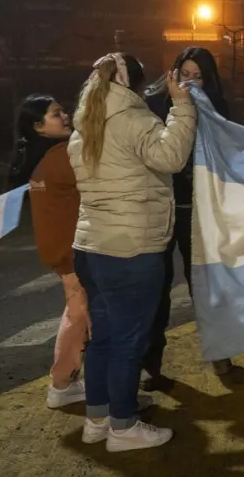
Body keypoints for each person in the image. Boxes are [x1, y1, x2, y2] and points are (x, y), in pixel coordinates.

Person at [68, 52, 196, 452]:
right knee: (126, 341)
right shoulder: (133, 119)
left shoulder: (83, 125)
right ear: (134, 86)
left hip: (89, 248)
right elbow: (171, 157)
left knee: (103, 337)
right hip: (130, 249)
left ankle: (99, 416)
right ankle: (123, 427)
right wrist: (182, 106)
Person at [141, 47, 237, 391]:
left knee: (205, 286)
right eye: (186, 75)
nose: (191, 83)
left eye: (199, 76)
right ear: (173, 75)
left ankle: (220, 351)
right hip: (160, 210)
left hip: (201, 214)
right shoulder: (153, 105)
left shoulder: (218, 111)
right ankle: (150, 365)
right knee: (155, 288)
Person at [7, 94, 88, 409]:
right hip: (73, 251)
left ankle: (64, 382)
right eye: (56, 114)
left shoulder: (36, 160)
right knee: (84, 317)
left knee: (77, 313)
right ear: (39, 126)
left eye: (63, 111)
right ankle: (64, 384)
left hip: (58, 250)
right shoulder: (62, 157)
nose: (65, 116)